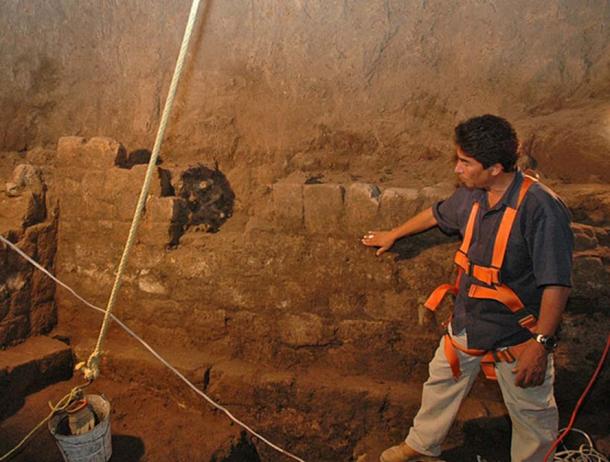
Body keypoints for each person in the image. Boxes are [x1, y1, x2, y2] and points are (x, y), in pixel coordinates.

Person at [362, 115, 573, 462]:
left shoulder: (541, 209)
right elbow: (435, 213)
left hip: (516, 334)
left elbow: (557, 284)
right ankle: (421, 444)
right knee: (441, 383)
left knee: (532, 414)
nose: (457, 169)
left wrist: (541, 344)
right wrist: (394, 233)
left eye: (465, 162)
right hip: (469, 320)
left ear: (494, 168)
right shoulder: (473, 196)